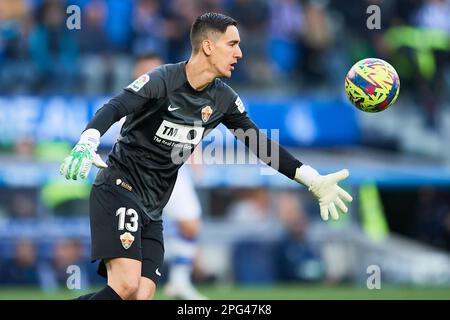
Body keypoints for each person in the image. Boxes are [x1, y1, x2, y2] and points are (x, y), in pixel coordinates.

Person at [60, 12, 352, 300]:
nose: (239, 53)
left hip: (154, 206)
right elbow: (114, 107)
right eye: (232, 44)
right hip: (119, 190)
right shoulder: (163, 80)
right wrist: (88, 140)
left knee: (142, 295)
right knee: (126, 286)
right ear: (208, 46)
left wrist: (311, 179)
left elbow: (261, 145)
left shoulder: (223, 99)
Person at [133, 52, 207, 300]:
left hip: (173, 170)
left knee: (190, 222)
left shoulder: (178, 98)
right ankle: (129, 282)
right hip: (137, 174)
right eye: (146, 71)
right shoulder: (130, 101)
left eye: (156, 70)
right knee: (136, 233)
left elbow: (190, 130)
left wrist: (195, 157)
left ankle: (179, 281)